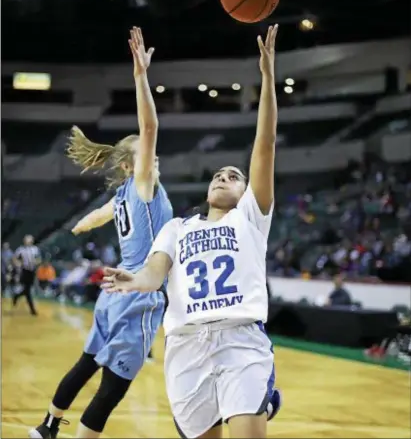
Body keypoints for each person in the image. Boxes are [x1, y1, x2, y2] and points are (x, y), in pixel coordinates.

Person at [103, 25, 281, 439]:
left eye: (233, 176)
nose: (224, 177)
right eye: (218, 174)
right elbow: (154, 274)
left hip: (240, 340)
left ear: (245, 192)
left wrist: (269, 78)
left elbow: (265, 143)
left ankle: (259, 395)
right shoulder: (177, 228)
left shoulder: (250, 217)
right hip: (185, 346)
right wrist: (135, 281)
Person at [30, 27, 173, 439]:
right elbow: (149, 130)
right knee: (112, 391)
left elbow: (92, 218)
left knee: (85, 363)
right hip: (137, 292)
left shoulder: (123, 196)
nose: (156, 159)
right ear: (132, 166)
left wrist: (77, 225)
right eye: (149, 158)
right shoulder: (143, 186)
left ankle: (48, 426)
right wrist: (141, 77)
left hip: (112, 295)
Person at [13, 235, 41, 315]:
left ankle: (17, 296)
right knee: (28, 290)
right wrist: (18, 263)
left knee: (26, 290)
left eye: (29, 240)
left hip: (32, 270)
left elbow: (39, 259)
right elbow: (15, 258)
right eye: (26, 240)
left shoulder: (35, 249)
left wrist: (36, 262)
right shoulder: (20, 249)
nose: (28, 241)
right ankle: (32, 309)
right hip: (25, 270)